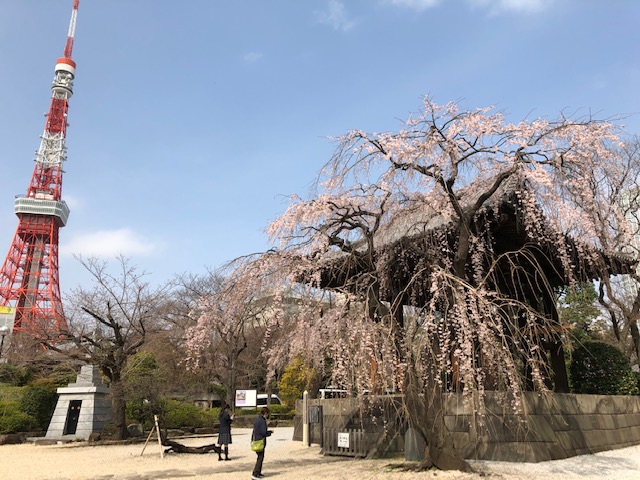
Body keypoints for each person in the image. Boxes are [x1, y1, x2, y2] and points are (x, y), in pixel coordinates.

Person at [251, 407, 273, 479]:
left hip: (256, 440)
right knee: (260, 458)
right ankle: (255, 473)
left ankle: (258, 472)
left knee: (260, 457)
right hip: (260, 441)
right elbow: (263, 432)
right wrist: (269, 432)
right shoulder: (262, 421)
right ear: (265, 413)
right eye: (267, 414)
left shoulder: (258, 420)